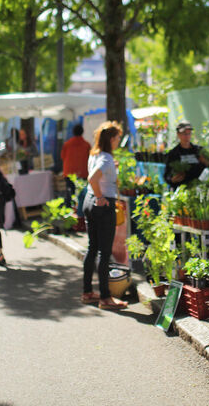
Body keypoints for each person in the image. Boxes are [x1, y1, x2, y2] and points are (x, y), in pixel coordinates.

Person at [82, 121, 127, 310]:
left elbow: (97, 175)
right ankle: (106, 298)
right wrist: (101, 197)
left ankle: (87, 292)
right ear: (110, 139)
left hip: (88, 202)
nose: (118, 141)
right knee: (104, 252)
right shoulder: (106, 158)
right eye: (117, 138)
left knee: (92, 248)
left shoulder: (96, 154)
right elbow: (92, 178)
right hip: (102, 205)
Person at [163, 120, 209, 190]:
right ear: (178, 135)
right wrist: (172, 180)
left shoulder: (199, 151)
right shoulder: (173, 154)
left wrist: (207, 162)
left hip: (200, 189)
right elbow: (167, 176)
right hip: (181, 191)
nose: (187, 136)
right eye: (184, 133)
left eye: (189, 133)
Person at [61, 124, 91, 205]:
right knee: (82, 194)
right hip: (83, 172)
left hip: (69, 172)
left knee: (70, 193)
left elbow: (63, 157)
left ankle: (69, 211)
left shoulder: (67, 144)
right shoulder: (86, 145)